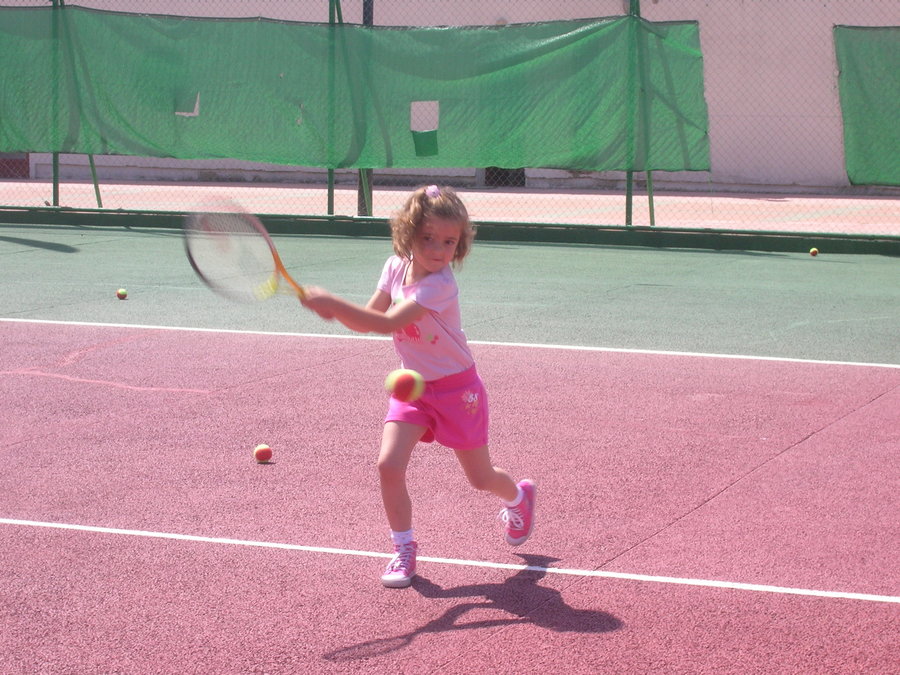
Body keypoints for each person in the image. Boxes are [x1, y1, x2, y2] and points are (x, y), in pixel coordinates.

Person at [300, 184, 535, 588]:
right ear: (408, 233)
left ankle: (519, 498)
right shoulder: (395, 267)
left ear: (459, 245)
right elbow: (369, 319)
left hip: (459, 391)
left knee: (480, 479)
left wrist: (334, 304)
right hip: (413, 388)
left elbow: (387, 323)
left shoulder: (439, 284)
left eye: (449, 241)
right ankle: (404, 549)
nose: (438, 250)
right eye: (427, 238)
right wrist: (335, 313)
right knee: (388, 465)